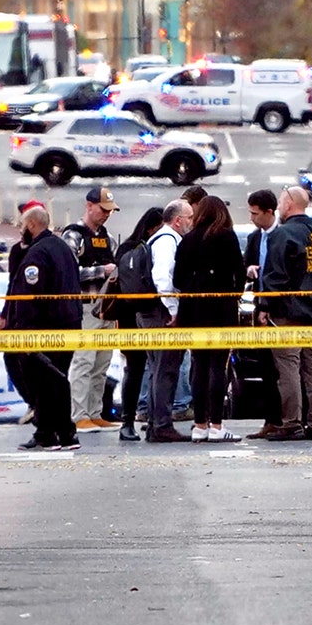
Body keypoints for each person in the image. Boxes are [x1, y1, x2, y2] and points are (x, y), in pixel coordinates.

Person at [256, 186, 312, 442]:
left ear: (289, 204)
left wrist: (265, 307)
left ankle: (291, 423)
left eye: (279, 202)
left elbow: (275, 275)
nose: (278, 206)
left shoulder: (283, 234)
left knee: (288, 368)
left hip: (287, 311)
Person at [7, 206, 84, 451]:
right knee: (59, 380)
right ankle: (65, 433)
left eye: (22, 226)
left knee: (41, 383)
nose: (21, 232)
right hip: (69, 324)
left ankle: (46, 434)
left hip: (44, 328)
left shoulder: (37, 254)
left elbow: (30, 296)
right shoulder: (63, 249)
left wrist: (24, 331)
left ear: (31, 225)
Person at [174, 195, 246, 442]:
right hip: (222, 309)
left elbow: (177, 281)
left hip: (193, 311)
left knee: (198, 364)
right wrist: (233, 295)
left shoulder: (188, 240)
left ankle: (199, 424)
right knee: (219, 365)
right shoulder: (227, 236)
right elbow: (240, 271)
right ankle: (217, 425)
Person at [63, 187, 120, 431]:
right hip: (85, 308)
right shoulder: (73, 235)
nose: (107, 214)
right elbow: (67, 272)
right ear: (89, 205)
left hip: (106, 310)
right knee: (83, 363)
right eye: (103, 209)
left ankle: (95, 412)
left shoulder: (107, 238)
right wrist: (100, 271)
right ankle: (79, 415)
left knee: (101, 365)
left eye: (110, 211)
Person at [139, 199, 193, 443]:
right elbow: (163, 278)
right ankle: (161, 424)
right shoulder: (167, 241)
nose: (192, 222)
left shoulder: (159, 239)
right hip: (160, 313)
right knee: (166, 369)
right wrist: (173, 310)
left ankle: (155, 422)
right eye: (189, 218)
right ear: (178, 220)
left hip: (151, 312)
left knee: (158, 369)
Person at [112, 207, 165, 441]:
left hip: (127, 315)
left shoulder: (126, 248)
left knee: (133, 369)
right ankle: (152, 419)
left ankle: (128, 421)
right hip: (148, 313)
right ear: (154, 227)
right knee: (153, 368)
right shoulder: (154, 248)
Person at [0, 200, 46, 426]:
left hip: (40, 316)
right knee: (12, 357)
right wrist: (5, 314)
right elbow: (13, 283)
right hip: (18, 314)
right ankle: (32, 402)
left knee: (36, 361)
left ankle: (40, 404)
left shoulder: (47, 247)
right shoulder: (18, 251)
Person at [242, 189, 284, 440]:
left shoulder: (284, 235)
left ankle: (289, 418)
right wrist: (248, 269)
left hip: (281, 309)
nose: (252, 218)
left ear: (270, 212)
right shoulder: (254, 238)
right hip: (259, 307)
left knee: (286, 367)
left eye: (255, 213)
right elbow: (245, 264)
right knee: (266, 366)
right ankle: (271, 420)